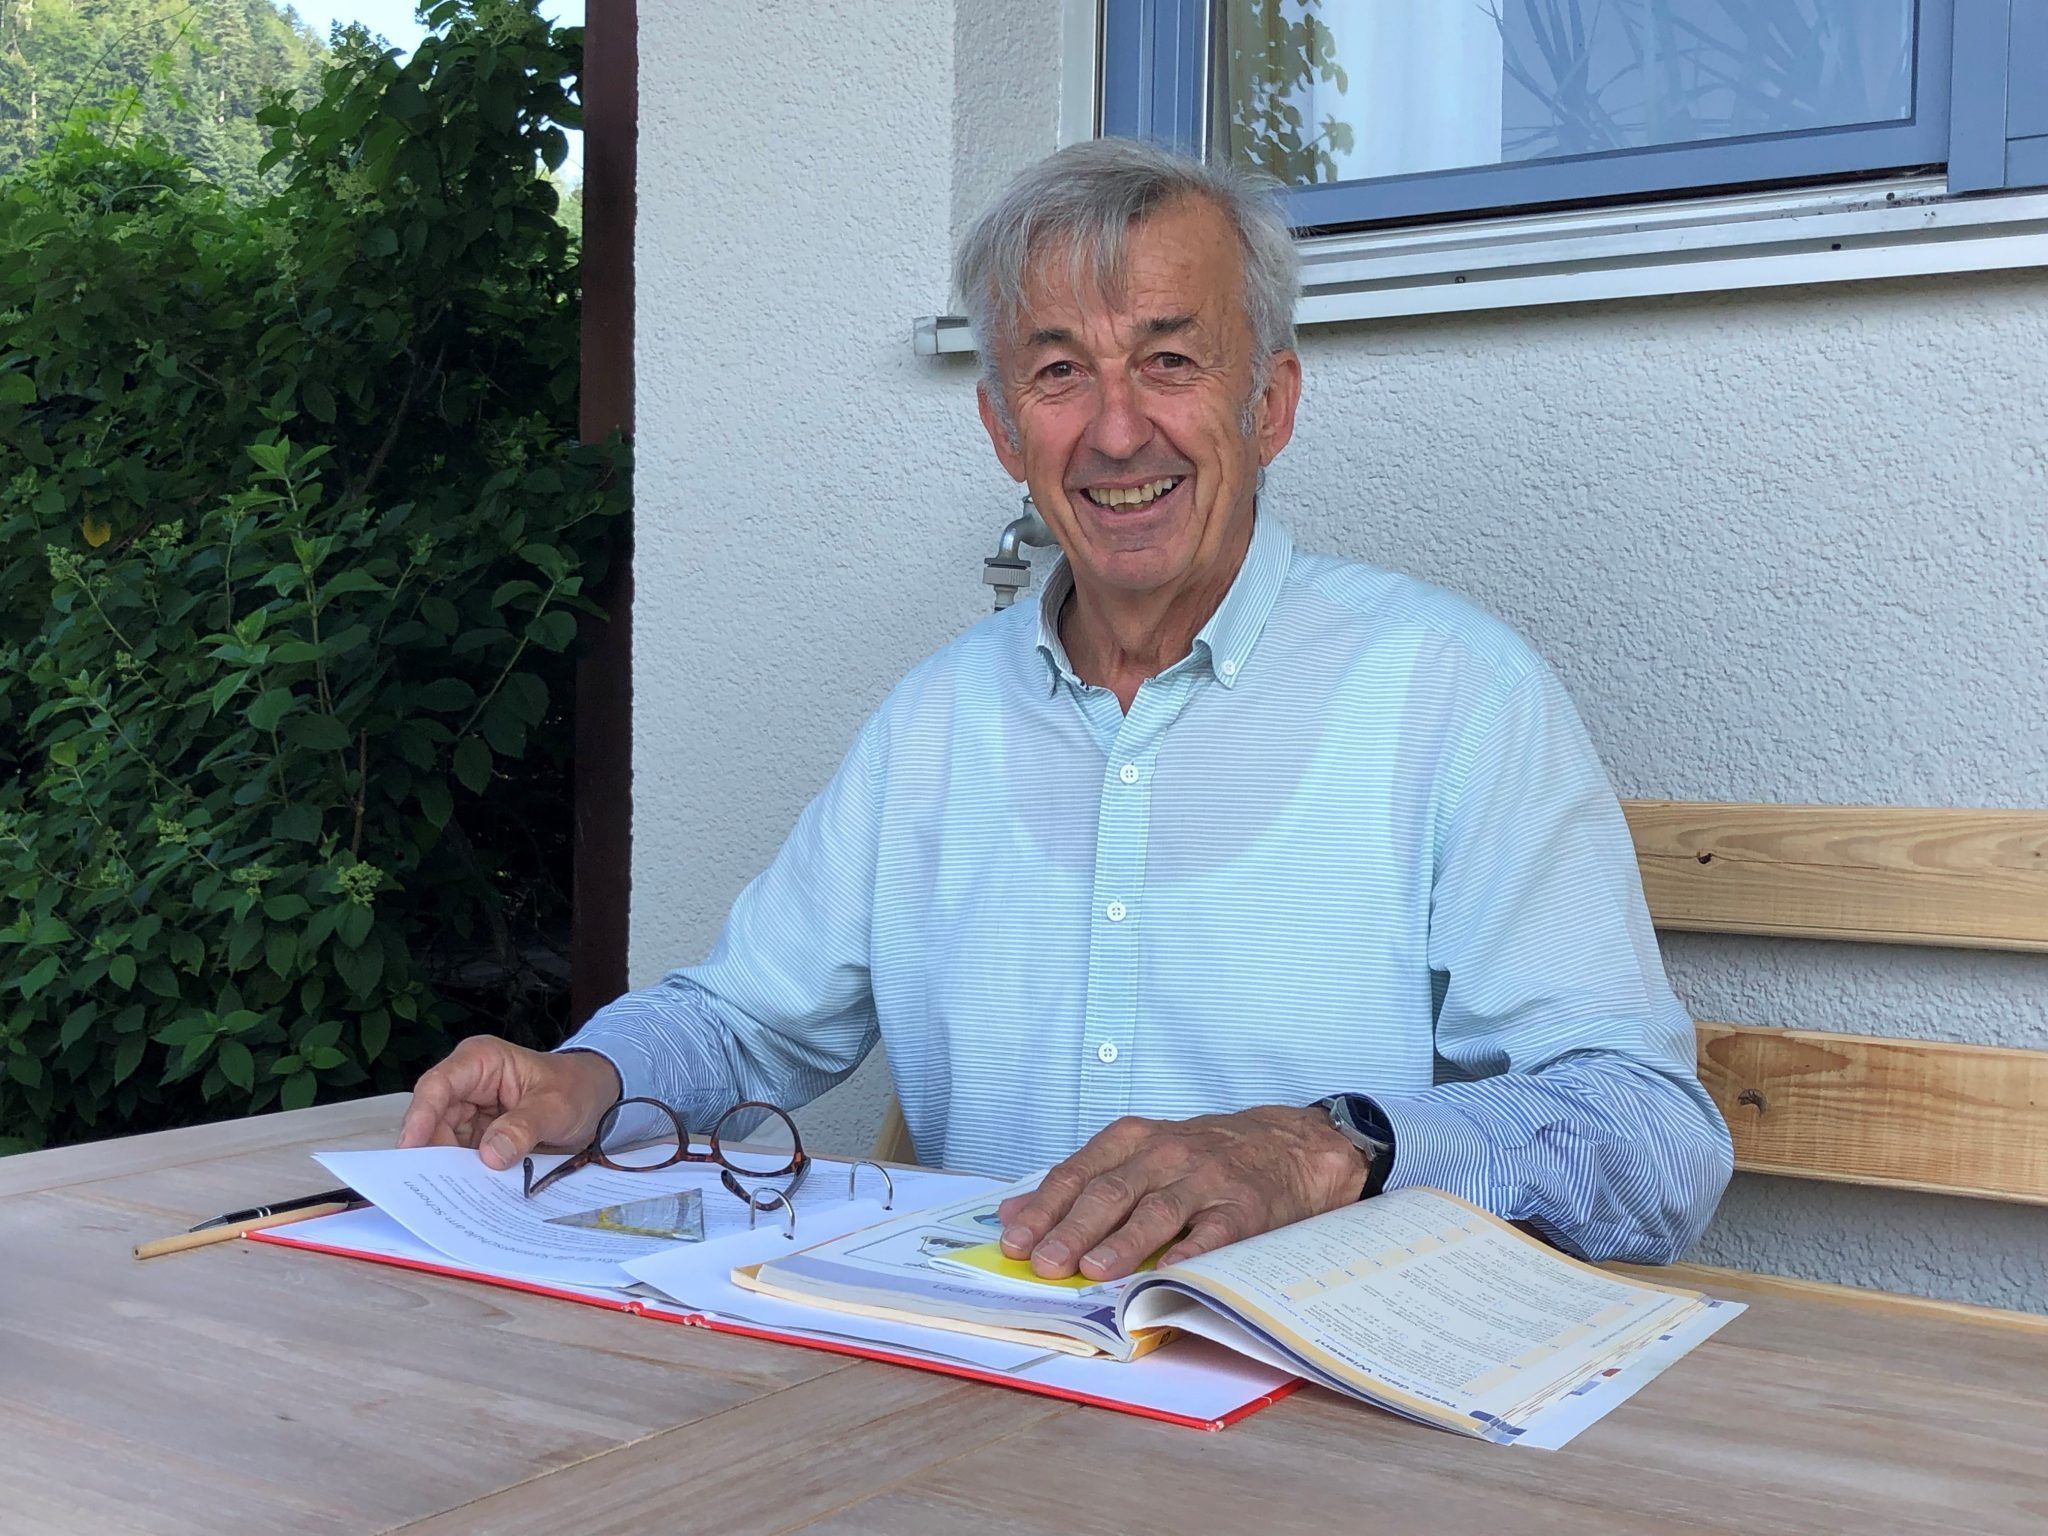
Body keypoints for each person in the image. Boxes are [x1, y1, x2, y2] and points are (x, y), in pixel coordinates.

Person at [400, 138, 1732, 1281]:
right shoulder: (934, 723)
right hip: (985, 1372)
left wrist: (1325, 1147)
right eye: (1058, 374)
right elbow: (743, 1019)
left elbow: (1653, 1140)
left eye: (1170, 360)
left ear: (1270, 404)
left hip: (1320, 1405)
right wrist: (588, 1080)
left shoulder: (1455, 696)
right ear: (1001, 430)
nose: (1116, 431)